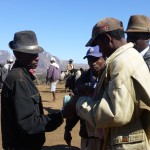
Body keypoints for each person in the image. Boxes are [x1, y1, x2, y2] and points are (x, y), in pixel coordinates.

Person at [64, 17, 150, 149]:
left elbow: (115, 114)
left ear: (108, 39)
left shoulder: (122, 62)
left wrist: (79, 103)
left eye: (98, 44)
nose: (100, 50)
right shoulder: (130, 57)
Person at [1, 30, 64, 150]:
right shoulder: (19, 80)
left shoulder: (23, 77)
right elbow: (27, 123)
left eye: (37, 53)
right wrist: (60, 116)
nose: (37, 58)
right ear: (17, 54)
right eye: (31, 54)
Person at [64, 46, 105, 150]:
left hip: (108, 133)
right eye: (89, 59)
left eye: (96, 59)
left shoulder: (111, 78)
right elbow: (75, 105)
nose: (92, 63)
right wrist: (68, 128)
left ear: (104, 58)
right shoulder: (82, 80)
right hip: (88, 134)